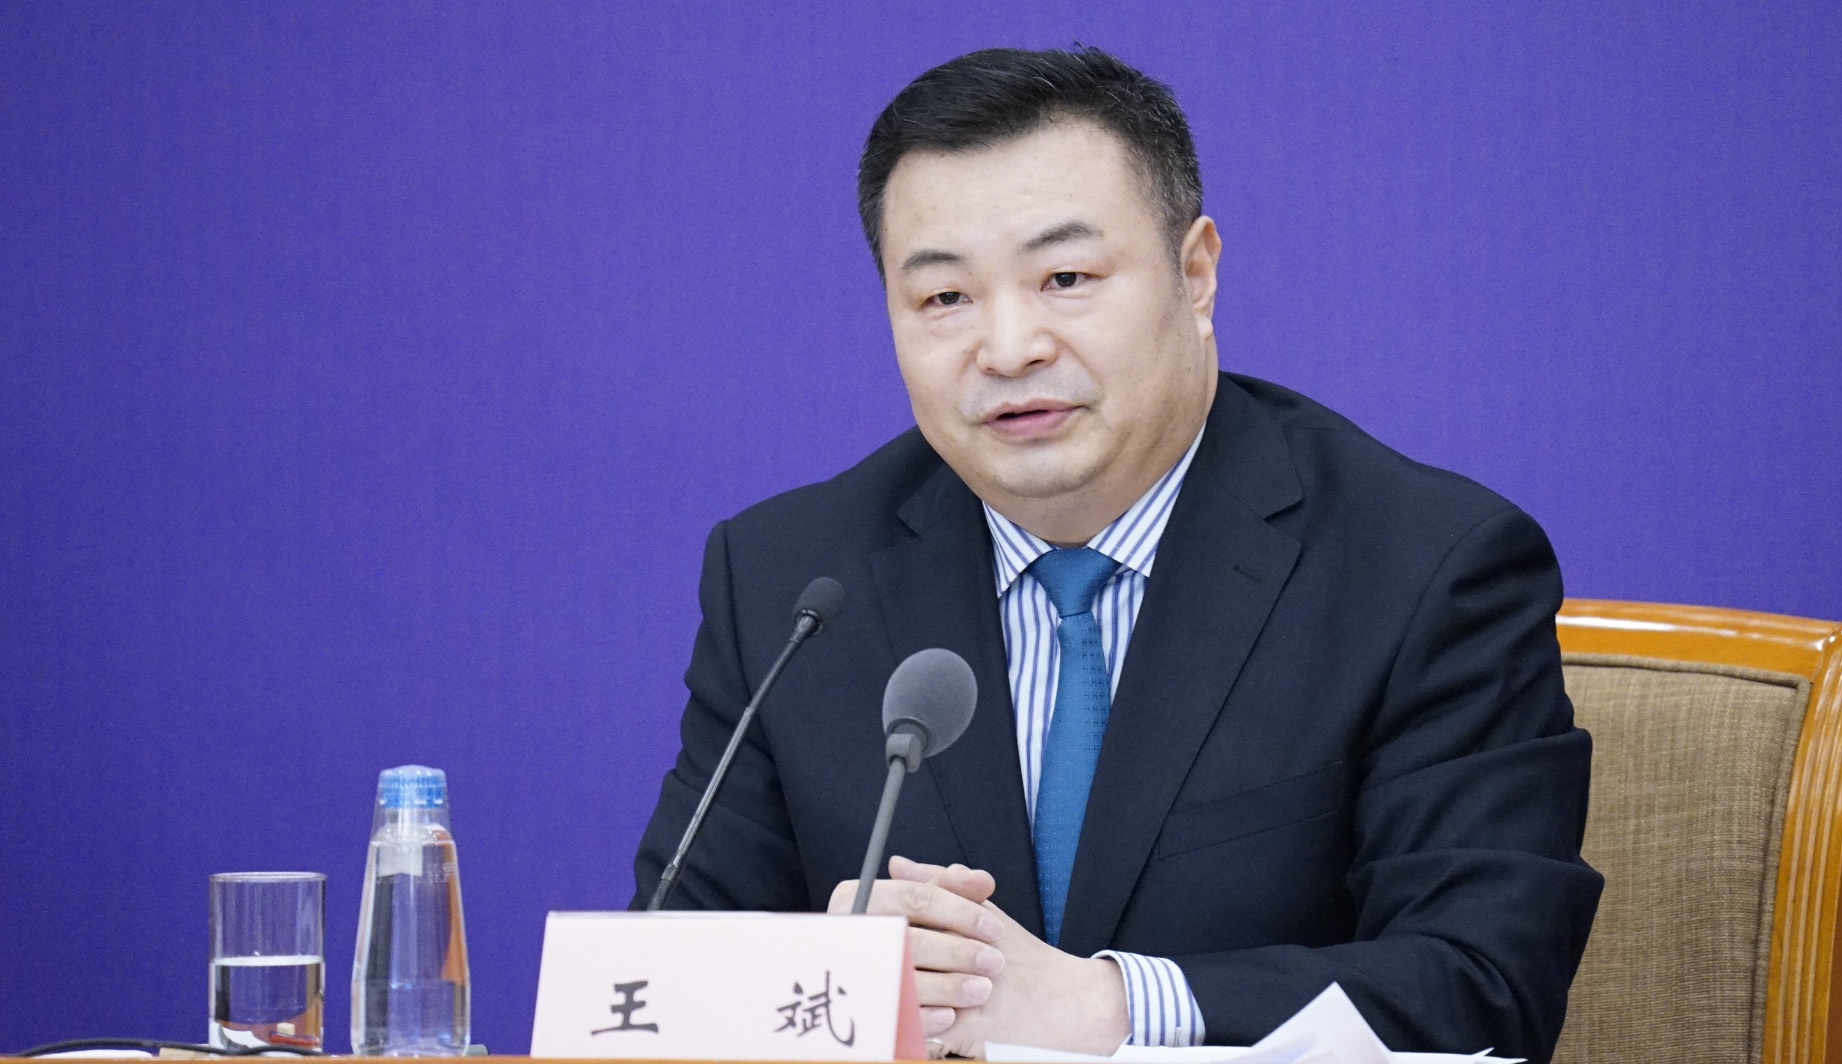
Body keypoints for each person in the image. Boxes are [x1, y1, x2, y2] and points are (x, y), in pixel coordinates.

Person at [631, 46, 1602, 1062]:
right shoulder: (790, 581)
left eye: (1066, 278)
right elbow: (662, 979)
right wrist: (820, 979)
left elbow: (1484, 986)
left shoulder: (1423, 568)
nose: (1009, 347)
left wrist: (1111, 1003)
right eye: (945, 298)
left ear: (1196, 273)